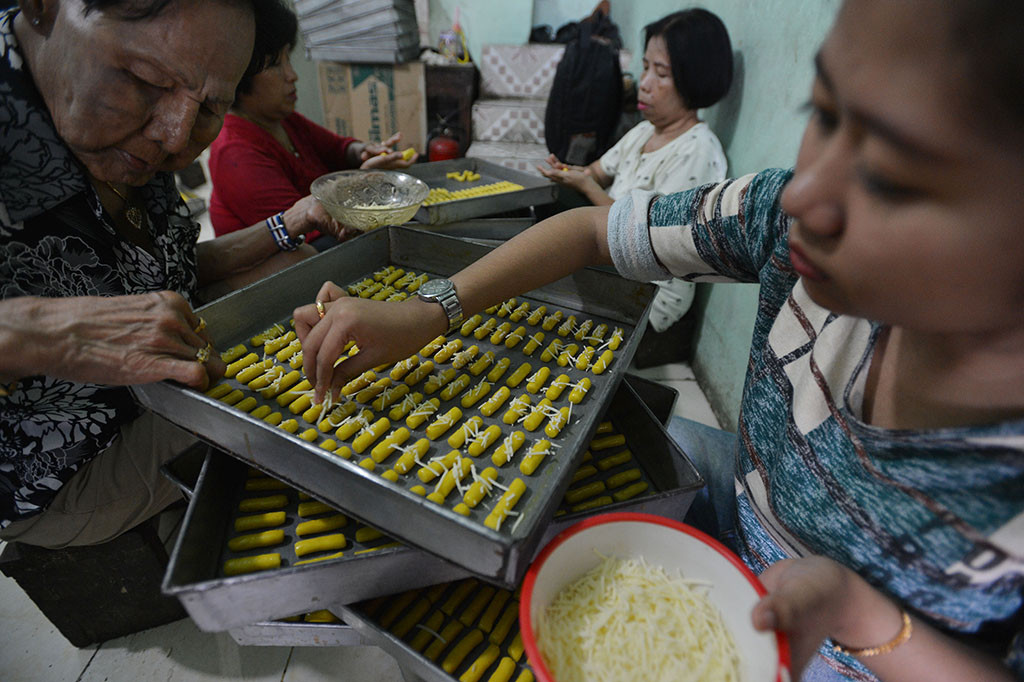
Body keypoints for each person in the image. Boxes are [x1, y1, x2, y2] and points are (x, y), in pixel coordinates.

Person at [293, 0, 1024, 679]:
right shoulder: (782, 217)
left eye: (893, 178)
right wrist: (429, 312)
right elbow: (592, 230)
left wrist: (856, 611)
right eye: (825, 113)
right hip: (747, 506)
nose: (806, 194)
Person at [0, 0, 345, 549]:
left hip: (158, 379)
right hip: (63, 460)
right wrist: (52, 331)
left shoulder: (143, 140)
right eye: (145, 80)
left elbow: (166, 269)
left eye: (210, 108)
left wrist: (288, 223)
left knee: (301, 273)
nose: (176, 138)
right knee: (299, 401)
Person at [537, 8, 732, 337]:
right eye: (645, 68)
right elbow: (597, 171)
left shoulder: (696, 151)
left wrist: (587, 185)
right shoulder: (644, 132)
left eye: (661, 73)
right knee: (550, 200)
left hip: (649, 291)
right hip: (612, 252)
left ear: (695, 80)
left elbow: (649, 243)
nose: (644, 84)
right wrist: (570, 172)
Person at [207, 1, 418, 250]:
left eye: (288, 59)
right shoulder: (235, 152)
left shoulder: (281, 119)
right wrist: (362, 183)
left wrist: (364, 151)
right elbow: (308, 234)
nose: (292, 75)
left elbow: (337, 149)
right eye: (275, 64)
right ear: (240, 76)